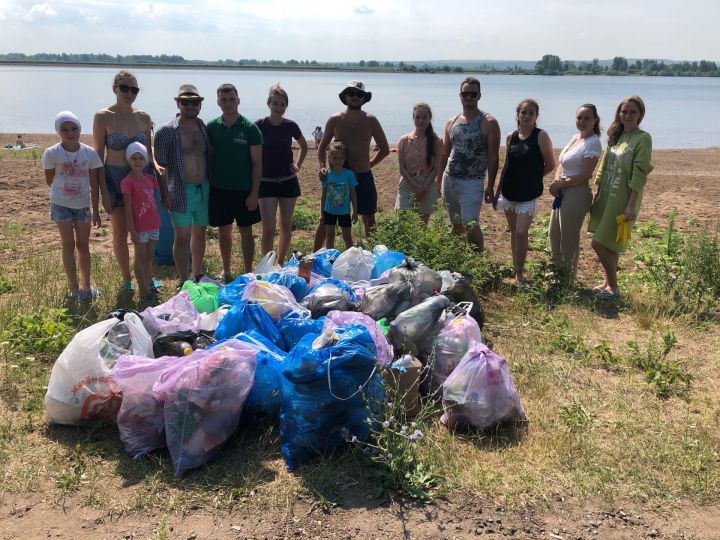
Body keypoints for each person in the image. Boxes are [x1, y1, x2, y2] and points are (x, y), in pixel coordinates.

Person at [93, 70, 168, 292]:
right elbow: (98, 156)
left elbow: (149, 151)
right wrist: (102, 191)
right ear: (114, 89)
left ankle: (147, 276)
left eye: (134, 89)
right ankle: (127, 280)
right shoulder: (103, 116)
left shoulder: (143, 117)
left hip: (141, 179)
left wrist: (155, 166)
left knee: (145, 229)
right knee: (120, 232)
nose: (129, 93)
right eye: (124, 88)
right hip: (115, 178)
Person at [588, 96, 653, 300]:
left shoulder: (643, 138)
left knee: (598, 243)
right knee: (609, 244)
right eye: (624, 112)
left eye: (632, 112)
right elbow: (605, 164)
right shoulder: (616, 135)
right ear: (619, 113)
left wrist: (632, 205)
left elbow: (640, 172)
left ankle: (614, 289)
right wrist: (598, 193)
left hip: (623, 197)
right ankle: (607, 283)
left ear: (640, 114)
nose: (627, 115)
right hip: (607, 193)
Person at [315, 81, 389, 249]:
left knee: (369, 217)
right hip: (338, 177)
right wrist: (322, 168)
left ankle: (372, 254)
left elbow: (384, 150)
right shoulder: (335, 120)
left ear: (364, 99)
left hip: (363, 176)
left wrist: (369, 164)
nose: (355, 97)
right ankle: (314, 256)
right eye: (351, 93)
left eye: (359, 94)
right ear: (345, 96)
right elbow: (321, 150)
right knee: (326, 219)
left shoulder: (371, 120)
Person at [41, 111, 105, 301]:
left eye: (74, 128)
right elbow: (49, 179)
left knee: (83, 245)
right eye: (65, 129)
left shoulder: (89, 152)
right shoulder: (52, 153)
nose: (70, 132)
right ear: (58, 131)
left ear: (79, 128)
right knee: (68, 244)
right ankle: (74, 288)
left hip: (82, 205)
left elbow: (95, 184)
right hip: (61, 204)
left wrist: (95, 211)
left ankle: (86, 286)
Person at [154, 84, 211, 286]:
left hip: (202, 189)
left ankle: (196, 273)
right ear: (178, 103)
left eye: (194, 102)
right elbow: (159, 166)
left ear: (200, 105)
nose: (190, 106)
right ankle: (182, 278)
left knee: (200, 232)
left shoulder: (202, 126)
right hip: (179, 190)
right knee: (182, 235)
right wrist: (164, 194)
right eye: (185, 102)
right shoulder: (166, 131)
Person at [494, 99, 555, 285]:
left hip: (528, 192)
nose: (527, 116)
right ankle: (515, 269)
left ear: (536, 116)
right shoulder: (511, 136)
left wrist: (535, 178)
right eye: (523, 112)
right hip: (509, 190)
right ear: (517, 115)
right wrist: (497, 190)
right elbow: (506, 165)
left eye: (531, 113)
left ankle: (520, 274)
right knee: (513, 232)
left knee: (521, 232)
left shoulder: (541, 136)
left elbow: (551, 164)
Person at [438, 77, 501, 252]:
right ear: (460, 95)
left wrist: (490, 186)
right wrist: (438, 181)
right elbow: (444, 154)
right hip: (449, 179)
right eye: (465, 93)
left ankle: (476, 263)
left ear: (479, 95)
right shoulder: (452, 121)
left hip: (472, 182)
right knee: (456, 224)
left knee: (470, 223)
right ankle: (459, 263)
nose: (469, 97)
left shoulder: (489, 122)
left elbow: (493, 157)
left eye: (473, 94)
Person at [206, 83, 262, 279]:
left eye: (231, 99)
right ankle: (227, 270)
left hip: (244, 190)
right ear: (218, 102)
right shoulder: (211, 127)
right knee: (224, 232)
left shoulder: (250, 128)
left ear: (238, 101)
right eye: (223, 100)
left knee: (246, 231)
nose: (228, 103)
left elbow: (257, 164)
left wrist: (254, 193)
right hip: (219, 188)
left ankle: (248, 270)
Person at [548, 104, 603, 280]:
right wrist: (557, 182)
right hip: (563, 190)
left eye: (587, 118)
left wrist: (561, 185)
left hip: (576, 193)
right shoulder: (575, 138)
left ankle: (567, 277)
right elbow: (562, 163)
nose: (582, 121)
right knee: (554, 233)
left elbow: (585, 174)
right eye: (579, 117)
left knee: (568, 238)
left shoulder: (593, 142)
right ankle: (555, 272)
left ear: (595, 120)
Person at [255, 84, 308, 265]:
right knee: (268, 228)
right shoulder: (259, 125)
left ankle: (282, 262)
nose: (278, 107)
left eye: (282, 104)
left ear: (286, 106)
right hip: (266, 182)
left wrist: (298, 164)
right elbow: (250, 149)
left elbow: (304, 145)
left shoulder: (290, 125)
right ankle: (267, 264)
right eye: (275, 103)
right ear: (269, 103)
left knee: (286, 225)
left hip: (287, 181)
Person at [121, 142, 161, 302]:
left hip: (154, 223)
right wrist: (132, 229)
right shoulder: (127, 182)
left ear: (146, 160)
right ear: (128, 160)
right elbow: (128, 208)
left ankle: (148, 281)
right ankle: (143, 290)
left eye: (141, 158)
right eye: (134, 158)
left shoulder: (151, 179)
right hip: (140, 227)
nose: (137, 161)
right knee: (140, 257)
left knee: (149, 256)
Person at [395, 103, 444, 224]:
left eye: (424, 117)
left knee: (422, 225)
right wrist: (415, 186)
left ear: (429, 118)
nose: (420, 120)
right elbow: (402, 169)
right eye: (417, 117)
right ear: (413, 118)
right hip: (407, 183)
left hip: (427, 184)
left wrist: (424, 187)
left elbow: (436, 168)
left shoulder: (437, 141)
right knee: (404, 222)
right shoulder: (404, 140)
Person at [322, 142, 358, 249]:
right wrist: (321, 213)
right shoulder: (326, 175)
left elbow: (353, 194)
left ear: (345, 159)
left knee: (347, 238)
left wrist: (355, 212)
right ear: (329, 158)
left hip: (344, 212)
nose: (338, 161)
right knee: (330, 237)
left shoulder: (349, 174)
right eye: (335, 158)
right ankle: (330, 258)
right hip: (329, 211)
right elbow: (323, 195)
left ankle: (350, 258)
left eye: (340, 158)